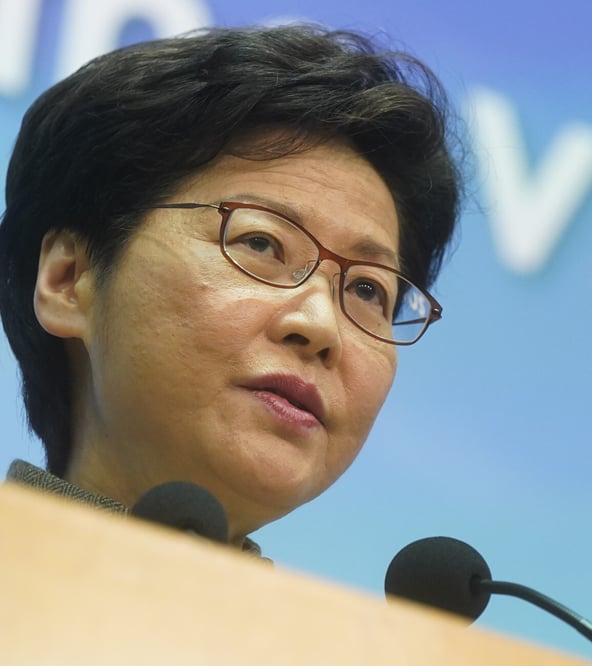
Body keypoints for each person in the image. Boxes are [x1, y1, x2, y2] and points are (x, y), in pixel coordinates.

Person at [0, 24, 461, 553]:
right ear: (67, 280)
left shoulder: (337, 639)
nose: (319, 327)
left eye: (366, 291)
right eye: (262, 244)